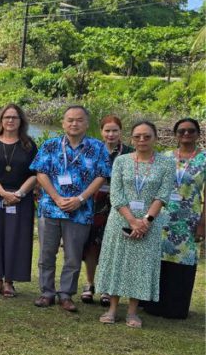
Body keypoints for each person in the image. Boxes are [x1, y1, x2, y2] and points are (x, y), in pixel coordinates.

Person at [30, 105, 112, 313]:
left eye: (79, 120)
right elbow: (40, 172)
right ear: (63, 123)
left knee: (73, 256)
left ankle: (66, 294)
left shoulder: (98, 148)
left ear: (86, 123)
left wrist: (81, 199)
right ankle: (47, 292)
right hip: (50, 208)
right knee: (46, 254)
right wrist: (56, 197)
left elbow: (102, 175)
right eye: (70, 120)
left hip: (80, 210)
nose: (74, 123)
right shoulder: (50, 145)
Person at [95, 121, 173, 329]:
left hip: (150, 222)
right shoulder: (121, 161)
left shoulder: (166, 164)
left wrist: (145, 222)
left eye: (147, 136)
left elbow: (162, 196)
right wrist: (131, 220)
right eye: (137, 136)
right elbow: (116, 194)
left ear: (155, 138)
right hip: (120, 219)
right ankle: (111, 309)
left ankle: (132, 312)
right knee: (116, 262)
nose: (142, 140)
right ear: (131, 138)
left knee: (140, 266)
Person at [145, 118, 205, 319]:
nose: (186, 134)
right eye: (181, 131)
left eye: (190, 131)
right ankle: (154, 305)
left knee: (182, 261)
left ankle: (176, 307)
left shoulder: (204, 160)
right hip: (162, 217)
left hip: (189, 220)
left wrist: (202, 224)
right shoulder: (165, 157)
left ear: (198, 134)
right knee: (159, 259)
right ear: (175, 134)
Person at [0, 104, 38, 298]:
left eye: (14, 117)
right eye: (7, 117)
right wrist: (3, 193)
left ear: (21, 121)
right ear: (1, 120)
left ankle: (10, 281)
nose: (10, 120)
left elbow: (36, 173)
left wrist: (19, 194)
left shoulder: (29, 145)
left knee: (16, 238)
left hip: (21, 198)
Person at [80, 115, 133, 306]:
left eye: (115, 130)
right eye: (107, 130)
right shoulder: (91, 150)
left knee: (111, 245)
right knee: (91, 243)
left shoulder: (129, 152)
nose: (111, 134)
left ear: (121, 132)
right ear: (101, 132)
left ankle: (107, 288)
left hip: (120, 204)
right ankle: (89, 283)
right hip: (93, 201)